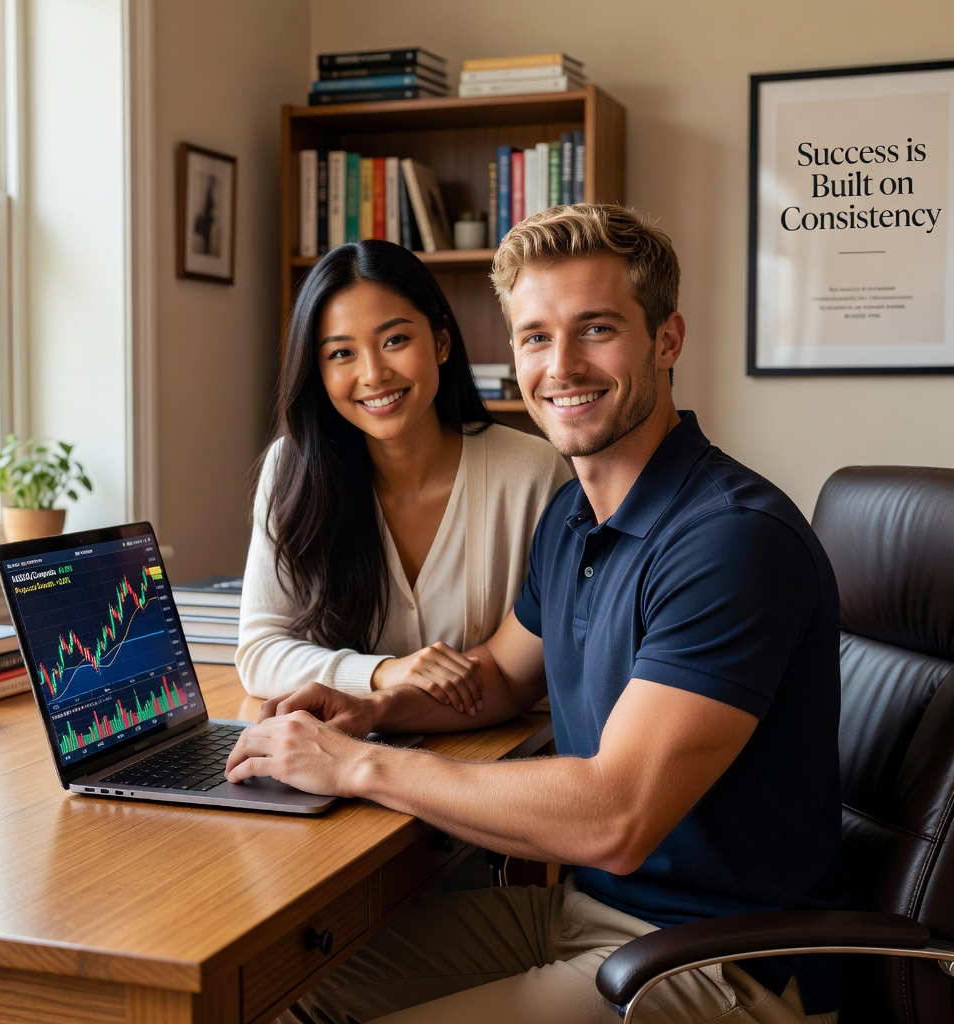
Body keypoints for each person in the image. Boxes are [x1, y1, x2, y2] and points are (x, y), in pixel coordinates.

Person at [226, 205, 846, 1024]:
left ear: (667, 340)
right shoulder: (573, 517)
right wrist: (370, 707)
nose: (562, 366)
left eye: (596, 329)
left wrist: (359, 765)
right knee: (282, 999)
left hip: (723, 957)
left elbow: (616, 815)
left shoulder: (731, 540)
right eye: (535, 337)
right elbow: (492, 682)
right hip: (586, 915)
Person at [235, 238, 572, 710]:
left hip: (499, 756)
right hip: (347, 755)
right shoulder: (291, 469)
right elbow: (259, 651)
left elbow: (556, 659)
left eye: (395, 340)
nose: (373, 374)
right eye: (341, 354)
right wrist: (381, 673)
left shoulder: (531, 473)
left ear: (441, 342)